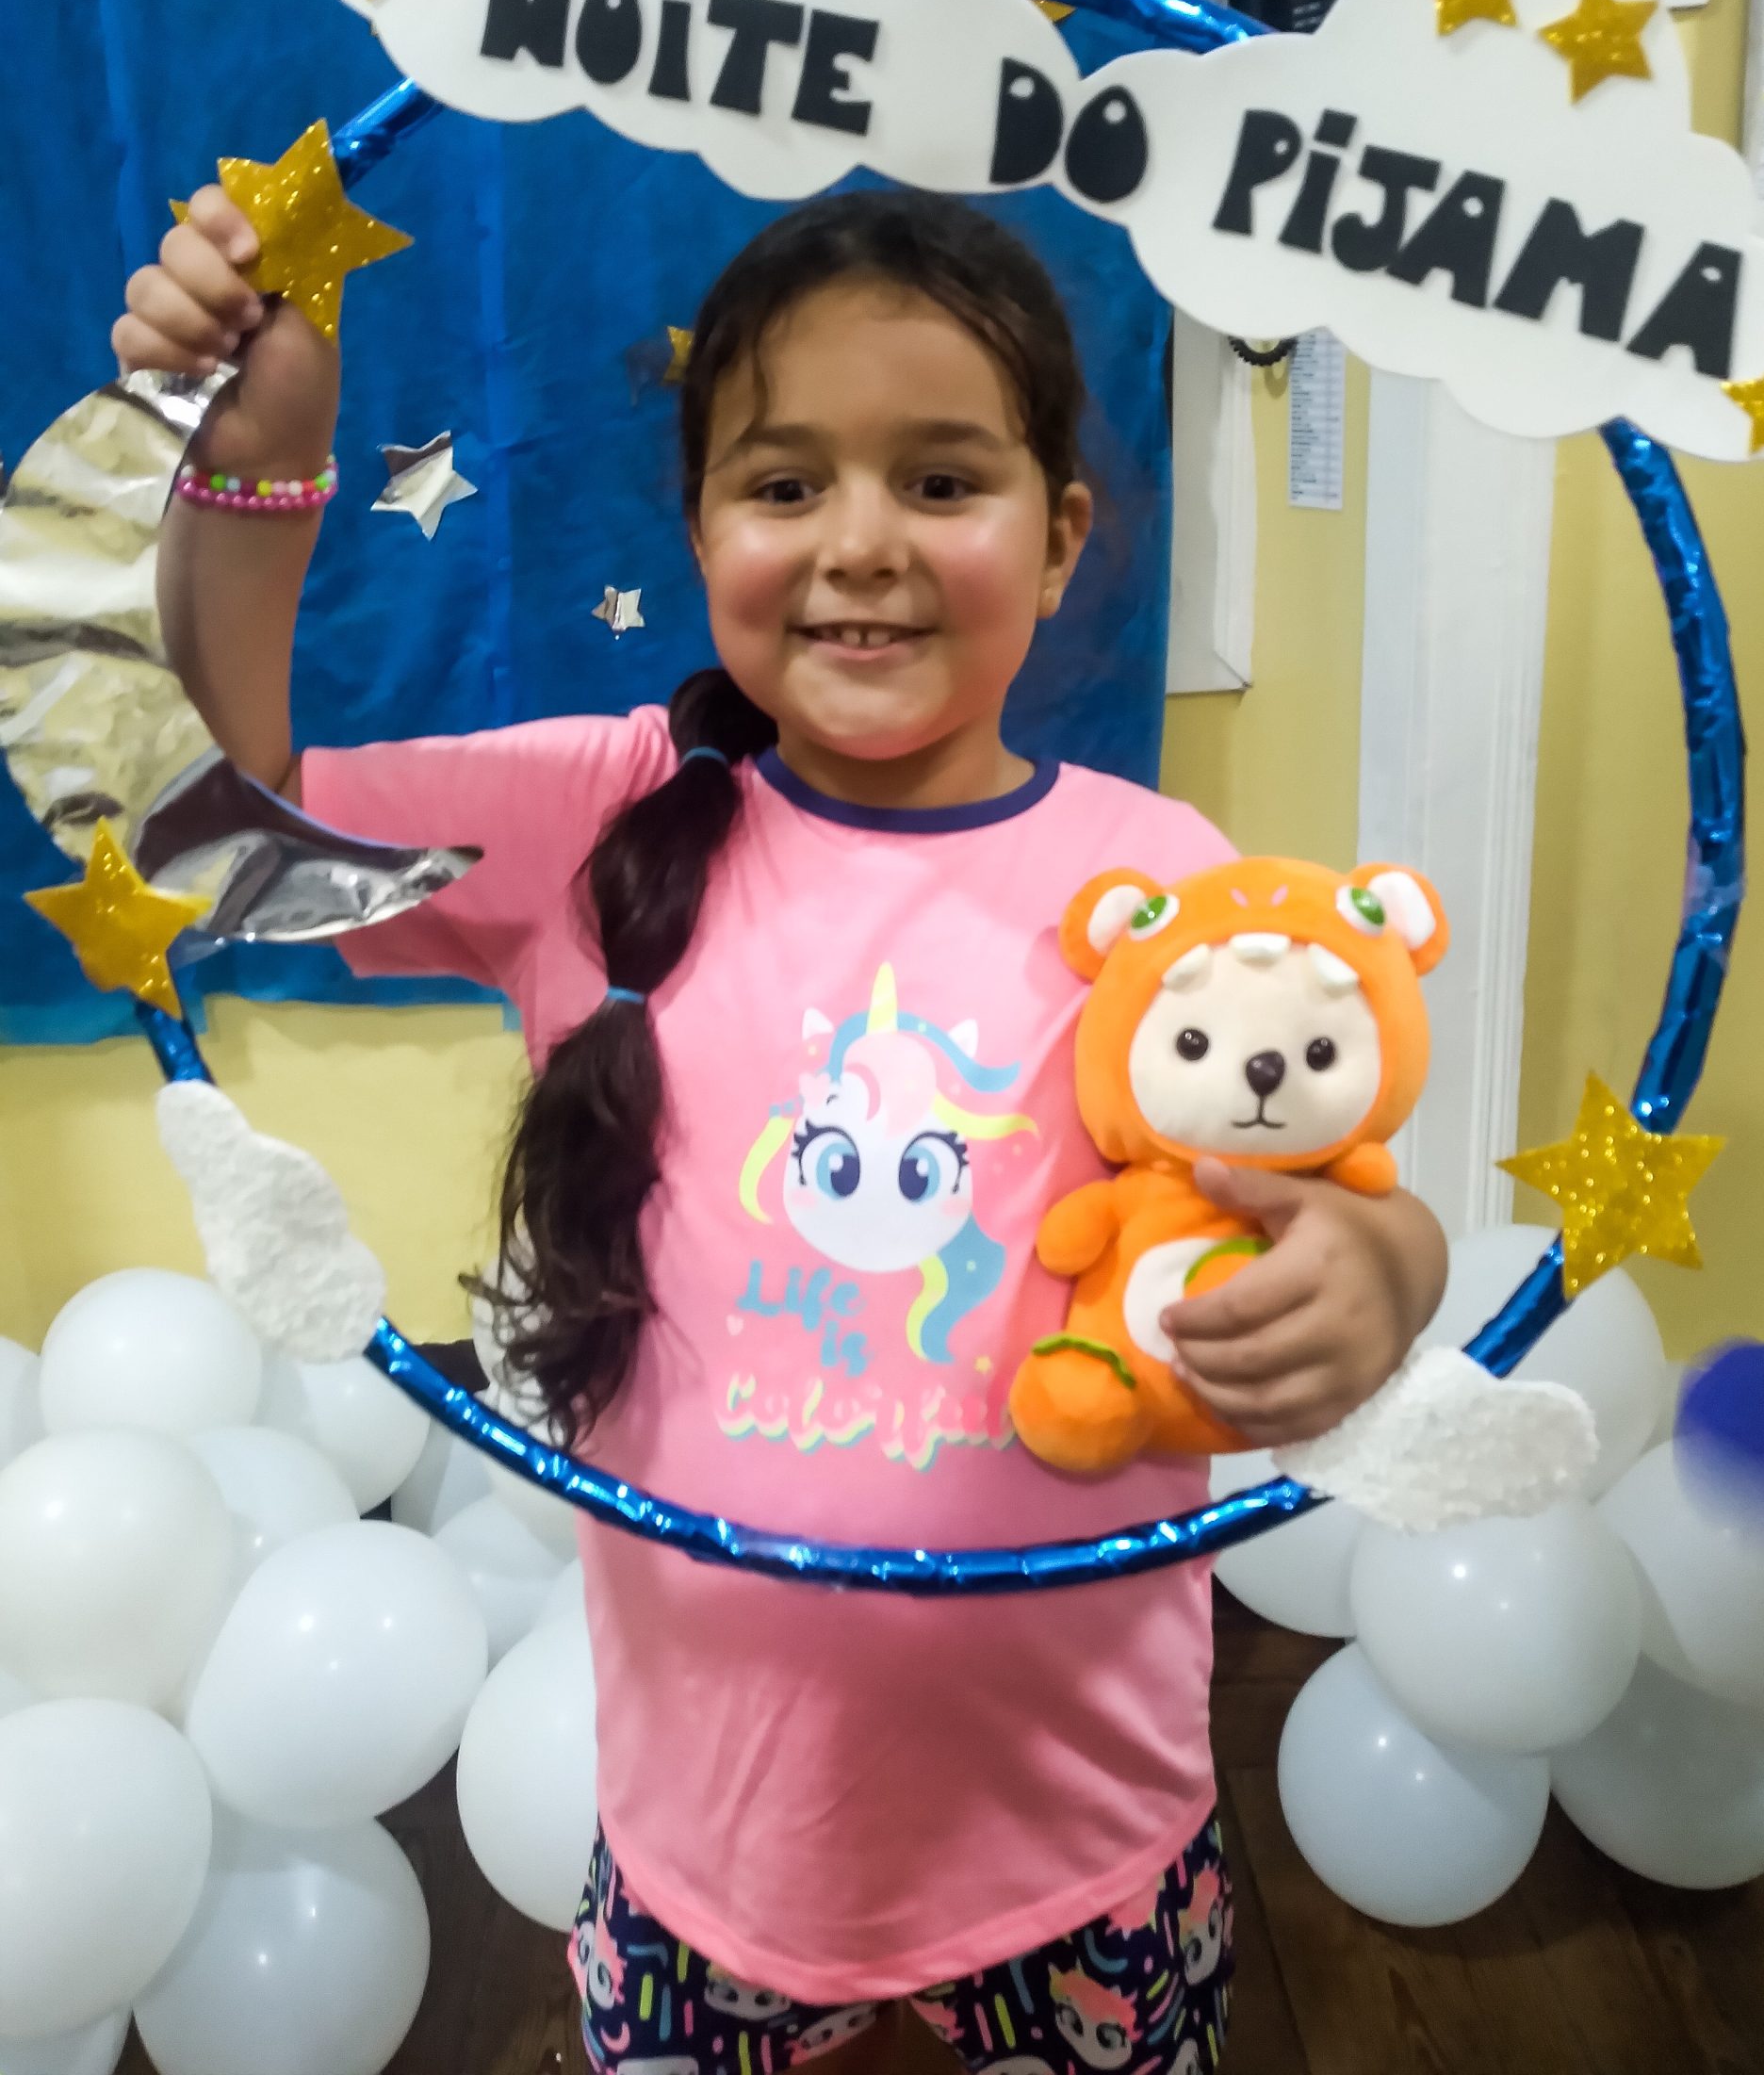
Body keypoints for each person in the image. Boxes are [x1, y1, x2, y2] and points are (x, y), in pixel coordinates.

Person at [116, 185, 1447, 2075]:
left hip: (1086, 1842)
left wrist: (1382, 1273)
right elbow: (209, 834)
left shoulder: (1168, 882)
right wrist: (256, 471)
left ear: (1062, 537)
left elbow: (1327, 1197)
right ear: (701, 531)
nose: (862, 544)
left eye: (942, 479)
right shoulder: (599, 817)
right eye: (786, 482)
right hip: (711, 1852)